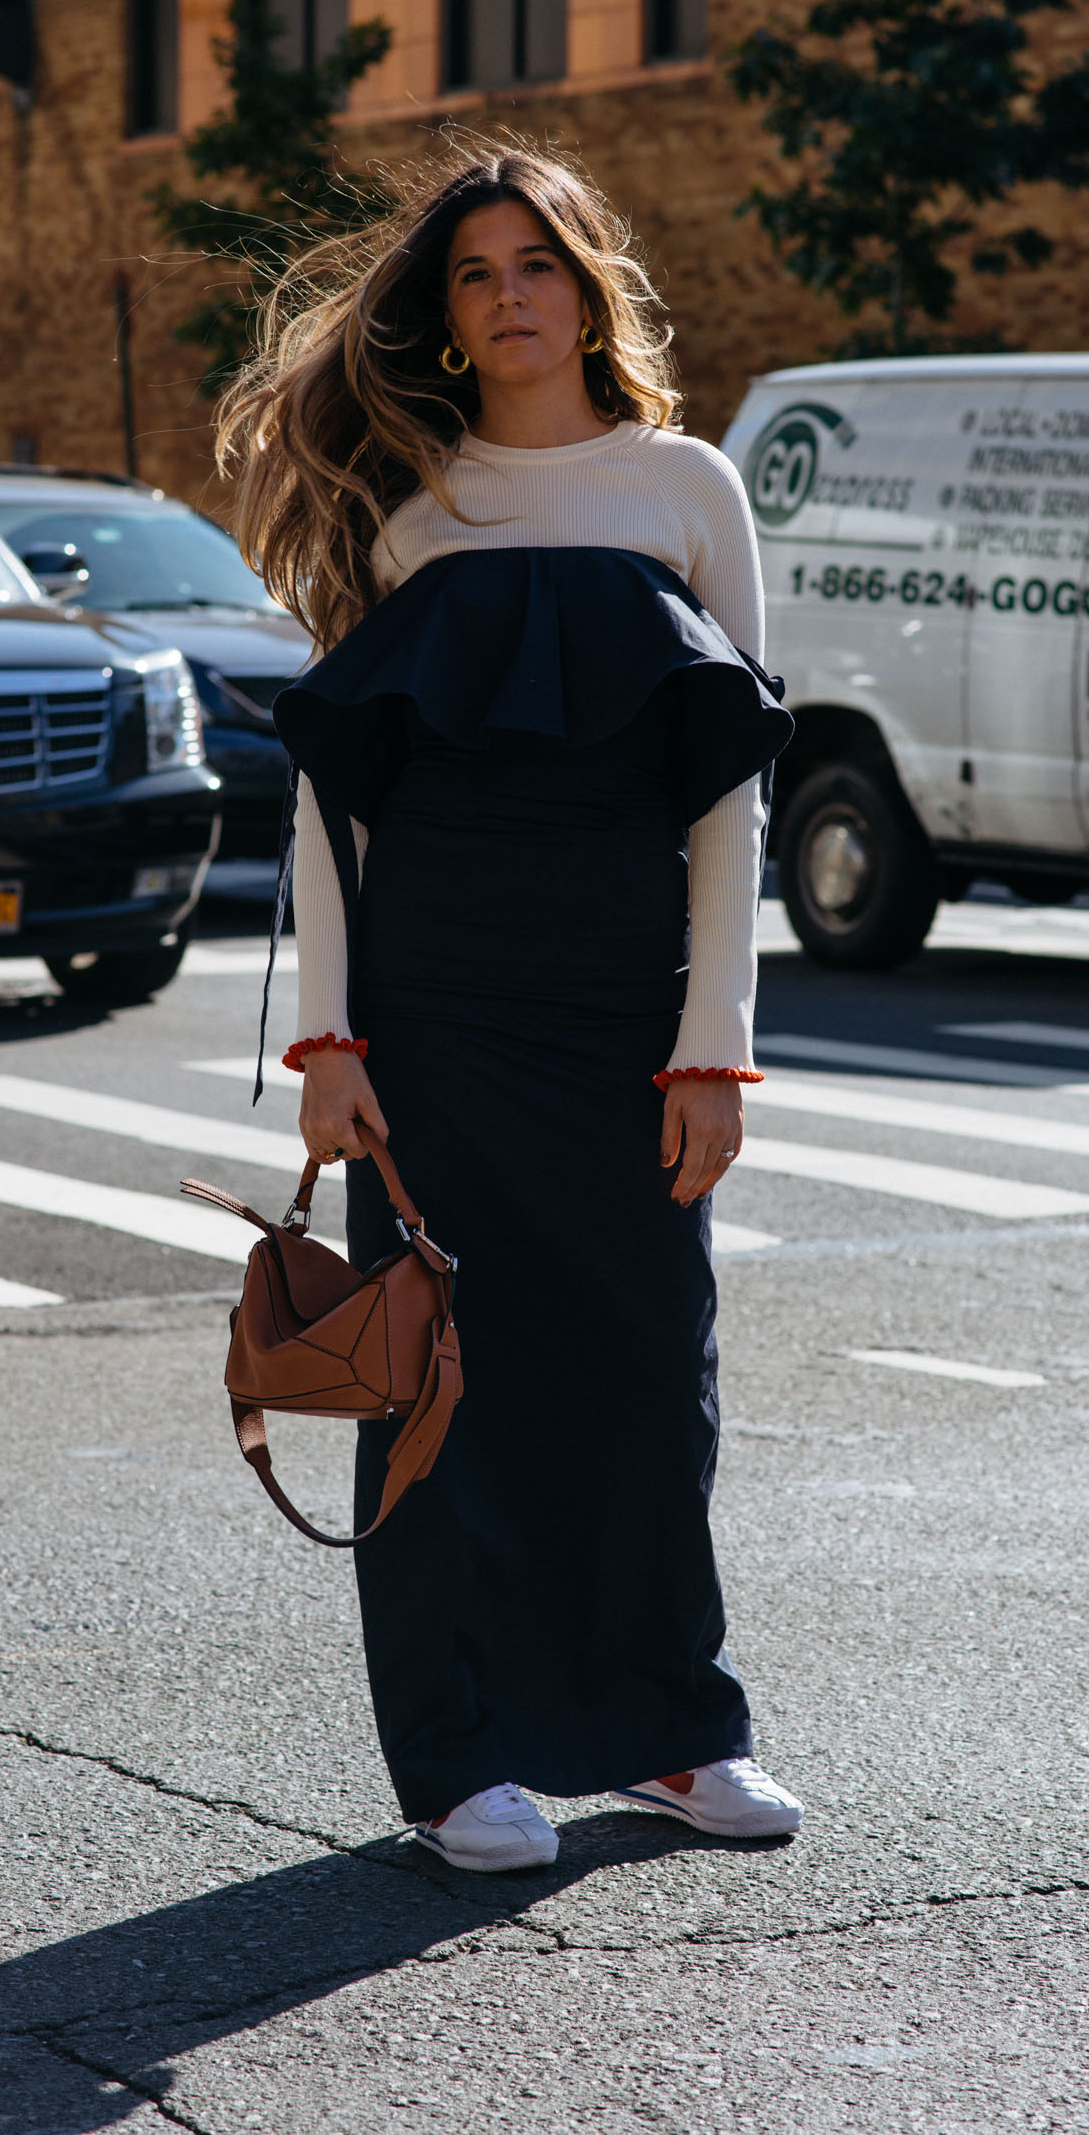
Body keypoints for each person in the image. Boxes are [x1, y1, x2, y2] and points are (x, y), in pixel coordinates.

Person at [217, 142, 802, 1873]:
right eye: (475, 274)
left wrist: (714, 1050)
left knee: (645, 1371)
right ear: (449, 323)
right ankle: (462, 1760)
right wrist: (331, 1047)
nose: (510, 293)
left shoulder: (691, 488)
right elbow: (336, 809)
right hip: (440, 1000)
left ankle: (672, 1731)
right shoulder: (410, 511)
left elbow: (734, 797)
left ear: (588, 286)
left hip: (626, 1004)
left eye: (538, 261)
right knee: (442, 1380)